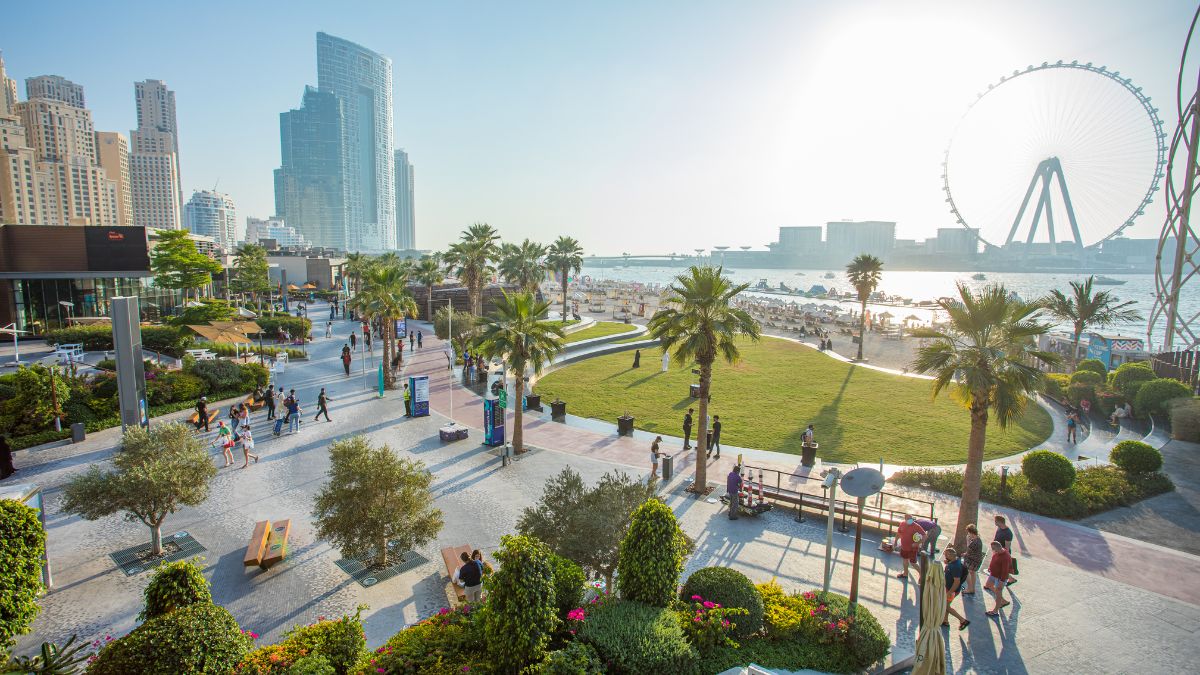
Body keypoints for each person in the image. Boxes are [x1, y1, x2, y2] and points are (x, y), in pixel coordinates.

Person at [941, 547, 971, 630]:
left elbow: (957, 581)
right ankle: (945, 620)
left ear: (950, 555)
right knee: (947, 605)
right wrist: (948, 562)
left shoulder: (955, 566)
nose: (945, 556)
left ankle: (962, 620)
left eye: (946, 555)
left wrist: (950, 592)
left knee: (946, 606)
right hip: (950, 588)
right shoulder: (955, 561)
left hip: (951, 590)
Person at [984, 541, 1012, 616]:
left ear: (997, 547)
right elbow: (993, 559)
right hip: (993, 574)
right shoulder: (997, 552)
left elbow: (1005, 571)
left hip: (1000, 578)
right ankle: (1003, 601)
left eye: (993, 548)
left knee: (998, 592)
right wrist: (990, 567)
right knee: (988, 585)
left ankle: (995, 611)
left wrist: (1002, 581)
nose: (992, 549)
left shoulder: (1005, 557)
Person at [895, 514, 926, 580]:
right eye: (908, 519)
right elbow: (898, 533)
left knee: (913, 563)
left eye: (911, 519)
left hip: (912, 549)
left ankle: (922, 574)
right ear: (905, 519)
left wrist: (917, 543)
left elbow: (925, 536)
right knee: (905, 560)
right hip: (904, 547)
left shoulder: (916, 526)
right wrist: (895, 541)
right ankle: (905, 574)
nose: (910, 521)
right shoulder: (902, 524)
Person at [993, 514, 1018, 586]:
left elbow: (1007, 547)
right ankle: (1011, 579)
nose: (995, 522)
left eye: (995, 521)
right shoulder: (999, 528)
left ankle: (999, 584)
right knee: (1000, 569)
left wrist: (1002, 556)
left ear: (999, 522)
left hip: (1003, 554)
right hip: (997, 552)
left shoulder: (1008, 533)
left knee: (1001, 569)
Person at [962, 523, 984, 594]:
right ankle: (972, 588)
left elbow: (969, 548)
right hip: (977, 560)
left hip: (972, 560)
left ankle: (970, 589)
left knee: (967, 573)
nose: (968, 534)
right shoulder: (978, 538)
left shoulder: (975, 541)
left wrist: (967, 540)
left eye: (969, 532)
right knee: (973, 573)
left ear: (971, 532)